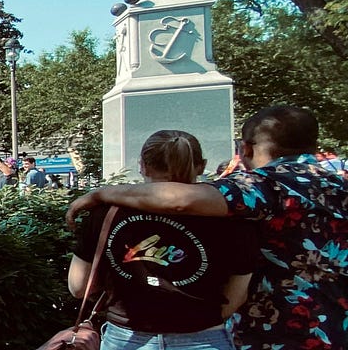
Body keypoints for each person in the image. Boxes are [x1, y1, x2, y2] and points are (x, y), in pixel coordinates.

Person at [66, 106, 348, 349]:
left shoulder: (259, 188)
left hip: (275, 332)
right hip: (334, 325)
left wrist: (99, 195)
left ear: (245, 149)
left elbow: (179, 200)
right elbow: (234, 296)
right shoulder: (339, 184)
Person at [69, 130, 256, 350]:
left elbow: (78, 286)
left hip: (126, 338)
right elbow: (238, 292)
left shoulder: (106, 213)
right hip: (203, 338)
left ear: (143, 166)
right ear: (202, 165)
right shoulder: (230, 216)